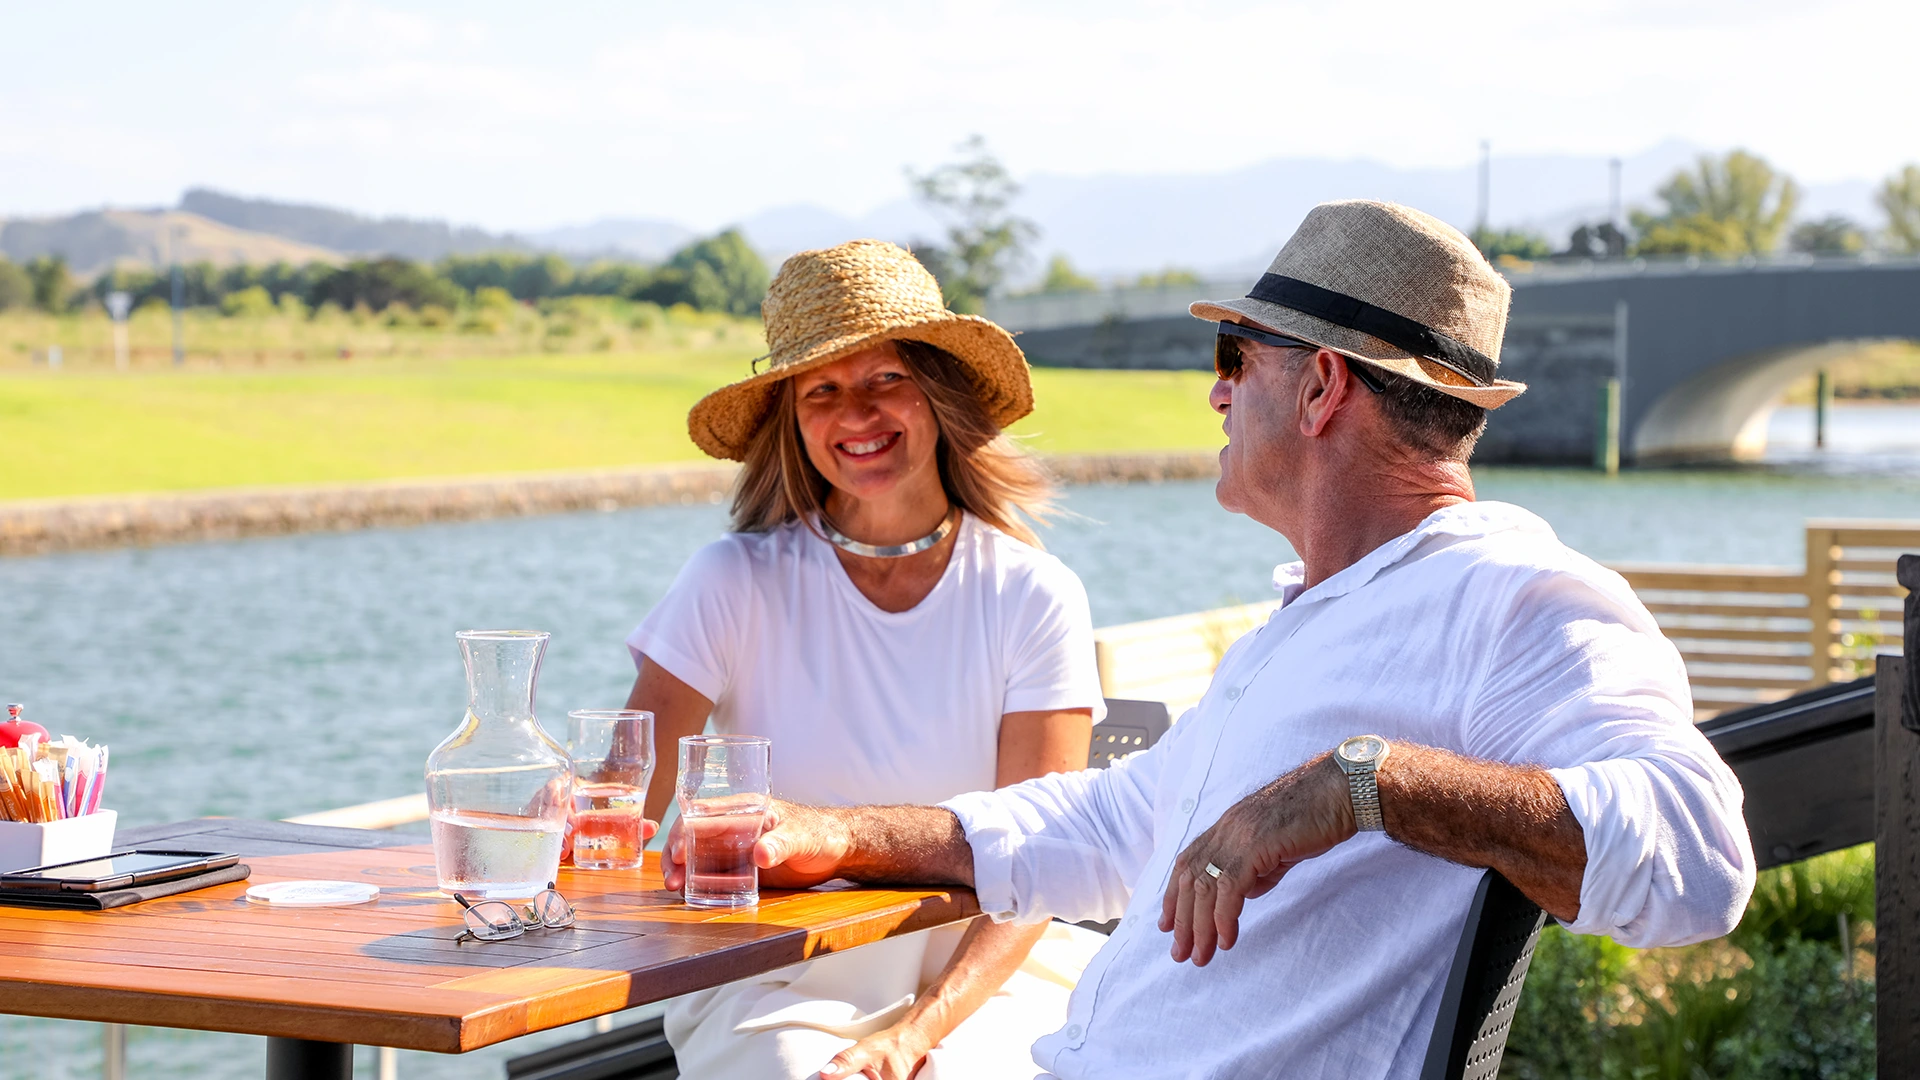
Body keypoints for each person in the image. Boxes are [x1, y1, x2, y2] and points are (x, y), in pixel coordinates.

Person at [665, 201, 1757, 1079]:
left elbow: (1700, 860)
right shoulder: (1320, 614)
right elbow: (1110, 821)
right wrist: (838, 833)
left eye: (1238, 359)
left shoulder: (1511, 595)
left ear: (1323, 385)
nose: (1215, 393)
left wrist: (1364, 782)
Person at [624, 238, 1109, 1080]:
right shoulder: (729, 580)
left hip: (987, 982)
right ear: (794, 420)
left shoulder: (1034, 592)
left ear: (937, 396)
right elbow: (626, 800)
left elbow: (1046, 860)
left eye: (887, 379)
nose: (857, 413)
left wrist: (917, 1036)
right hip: (771, 981)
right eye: (823, 390)